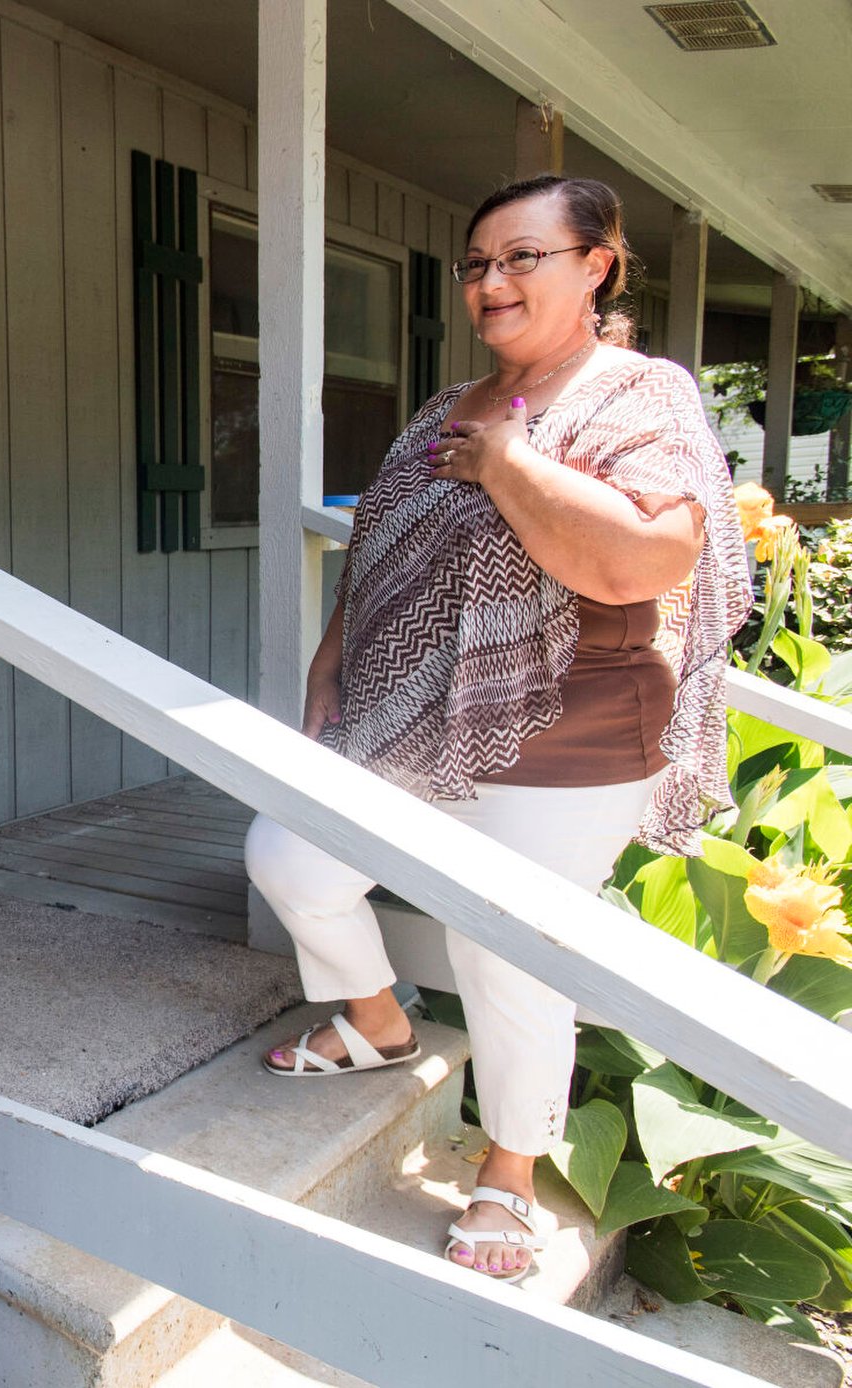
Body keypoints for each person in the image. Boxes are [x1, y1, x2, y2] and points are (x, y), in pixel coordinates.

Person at [243, 175, 750, 1280]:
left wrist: (510, 462)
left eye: (522, 256)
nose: (490, 281)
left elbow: (639, 559)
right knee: (287, 851)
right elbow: (381, 543)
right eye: (476, 263)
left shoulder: (639, 397)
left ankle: (507, 1170)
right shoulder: (443, 405)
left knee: (505, 949)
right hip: (406, 704)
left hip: (568, 728)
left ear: (596, 264)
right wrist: (335, 655)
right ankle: (377, 1019)